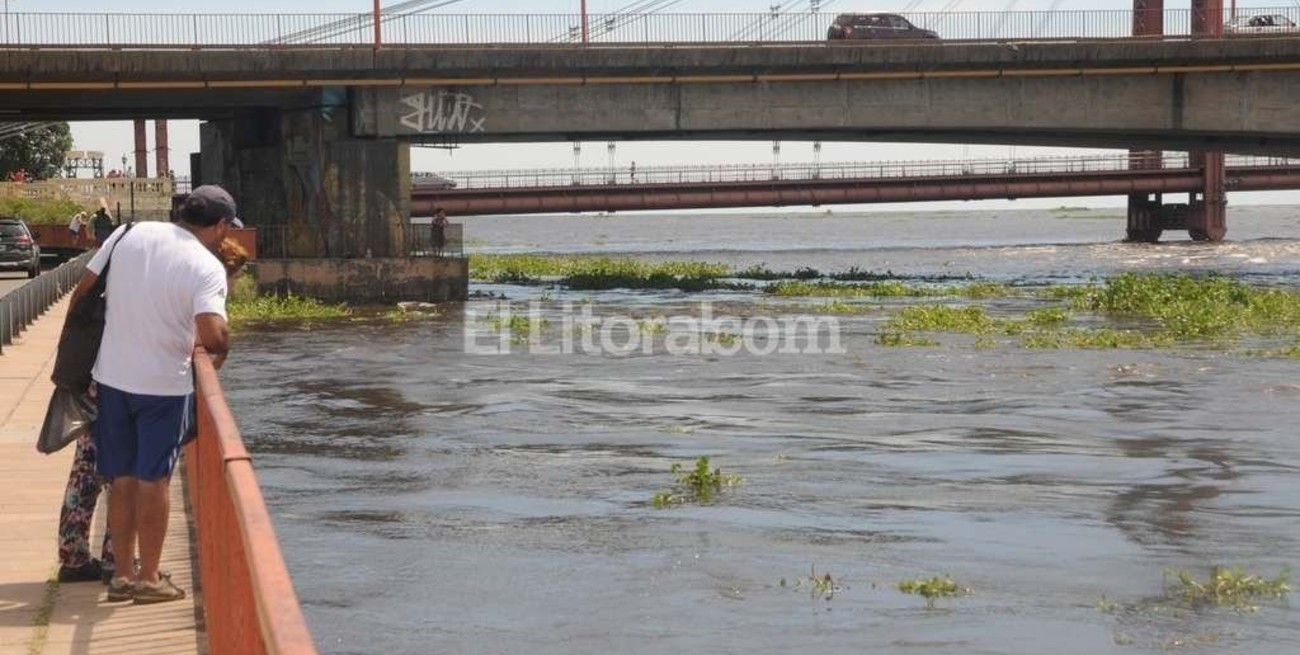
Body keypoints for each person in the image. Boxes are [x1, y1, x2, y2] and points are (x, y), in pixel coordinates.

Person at [64, 184, 236, 605]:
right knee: (154, 479)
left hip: (112, 379)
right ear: (218, 226)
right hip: (163, 386)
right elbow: (212, 334)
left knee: (121, 478)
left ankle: (122, 575)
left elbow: (82, 290)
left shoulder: (129, 233)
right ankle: (150, 578)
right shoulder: (205, 265)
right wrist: (224, 348)